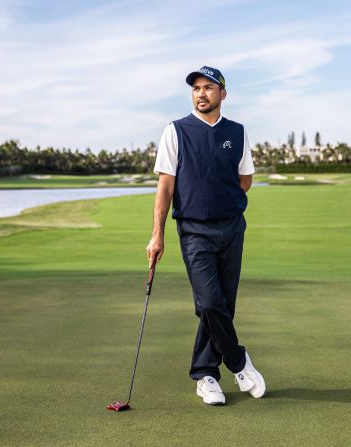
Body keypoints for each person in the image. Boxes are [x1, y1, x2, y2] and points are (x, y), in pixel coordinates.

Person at [146, 65, 266, 405]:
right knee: (210, 302)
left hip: (231, 228)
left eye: (208, 87)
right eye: (196, 88)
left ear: (222, 94)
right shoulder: (176, 131)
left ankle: (206, 374)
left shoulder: (238, 132)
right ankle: (239, 363)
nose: (201, 93)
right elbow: (165, 185)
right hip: (194, 230)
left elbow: (245, 180)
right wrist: (157, 235)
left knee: (221, 307)